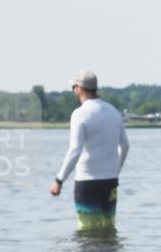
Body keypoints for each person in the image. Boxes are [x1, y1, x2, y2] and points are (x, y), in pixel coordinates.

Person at [50, 70, 129, 230]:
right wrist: (115, 170)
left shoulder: (80, 114)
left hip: (87, 182)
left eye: (74, 86)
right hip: (111, 181)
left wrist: (59, 180)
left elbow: (75, 150)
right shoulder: (113, 111)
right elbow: (125, 146)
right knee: (108, 227)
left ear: (79, 88)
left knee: (87, 230)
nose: (73, 90)